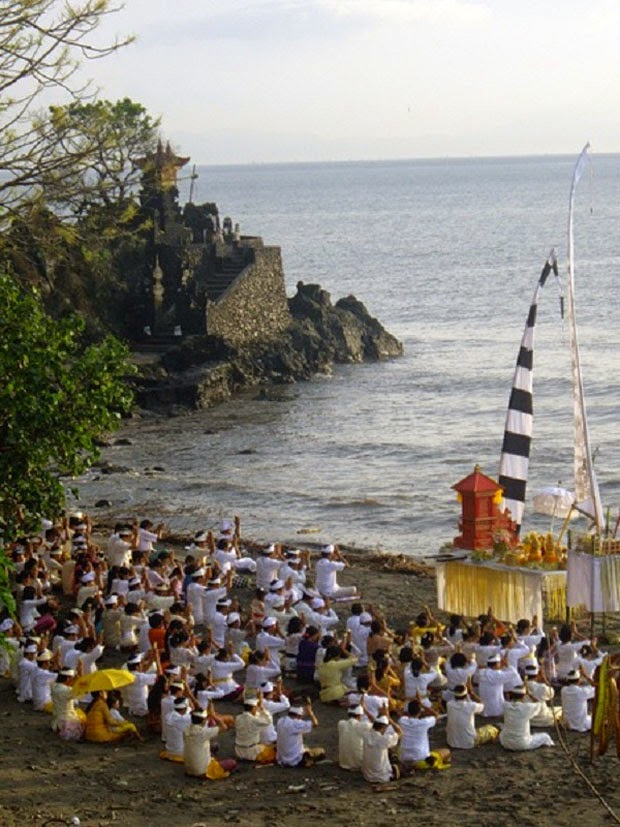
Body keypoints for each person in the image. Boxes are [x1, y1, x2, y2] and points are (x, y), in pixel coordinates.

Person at [184, 706, 237, 779]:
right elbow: (224, 727)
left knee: (214, 746)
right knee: (232, 763)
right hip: (202, 771)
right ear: (203, 720)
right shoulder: (203, 732)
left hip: (188, 769)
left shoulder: (186, 730)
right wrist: (214, 716)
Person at [399, 699, 451, 772]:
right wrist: (423, 705)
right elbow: (437, 715)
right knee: (446, 751)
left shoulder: (402, 721)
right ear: (420, 712)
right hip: (420, 759)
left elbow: (402, 714)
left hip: (404, 758)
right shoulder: (424, 722)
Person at [499, 685, 554, 750]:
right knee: (546, 736)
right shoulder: (527, 707)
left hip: (506, 743)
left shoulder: (505, 706)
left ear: (510, 694)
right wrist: (530, 695)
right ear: (524, 696)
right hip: (522, 744)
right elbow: (539, 703)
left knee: (503, 731)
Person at [446, 685, 498, 749]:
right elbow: (482, 705)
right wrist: (472, 694)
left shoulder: (449, 704)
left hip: (451, 742)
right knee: (492, 729)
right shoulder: (471, 706)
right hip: (468, 743)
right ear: (466, 695)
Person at [276, 701, 325, 767]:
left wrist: (303, 711)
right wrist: (311, 714)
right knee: (321, 752)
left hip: (282, 759)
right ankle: (306, 760)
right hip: (295, 759)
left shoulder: (280, 721)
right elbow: (315, 724)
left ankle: (307, 759)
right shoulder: (296, 723)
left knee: (305, 747)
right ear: (298, 716)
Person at [361, 714, 401, 784]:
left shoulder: (365, 735)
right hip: (382, 777)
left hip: (367, 775)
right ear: (384, 727)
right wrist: (390, 719)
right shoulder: (384, 739)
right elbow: (400, 732)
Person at [234, 697, 276, 764]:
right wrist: (263, 709)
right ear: (253, 708)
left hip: (238, 751)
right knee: (273, 752)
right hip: (251, 752)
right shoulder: (254, 720)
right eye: (256, 707)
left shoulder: (238, 718)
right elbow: (268, 721)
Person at [50, 668, 86, 740]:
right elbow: (81, 695)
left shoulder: (54, 686)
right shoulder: (66, 690)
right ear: (68, 678)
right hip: (66, 720)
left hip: (56, 719)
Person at [338, 705, 372, 771]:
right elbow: (378, 726)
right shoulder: (364, 726)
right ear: (359, 715)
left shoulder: (341, 723)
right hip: (359, 764)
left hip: (343, 763)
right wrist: (367, 713)